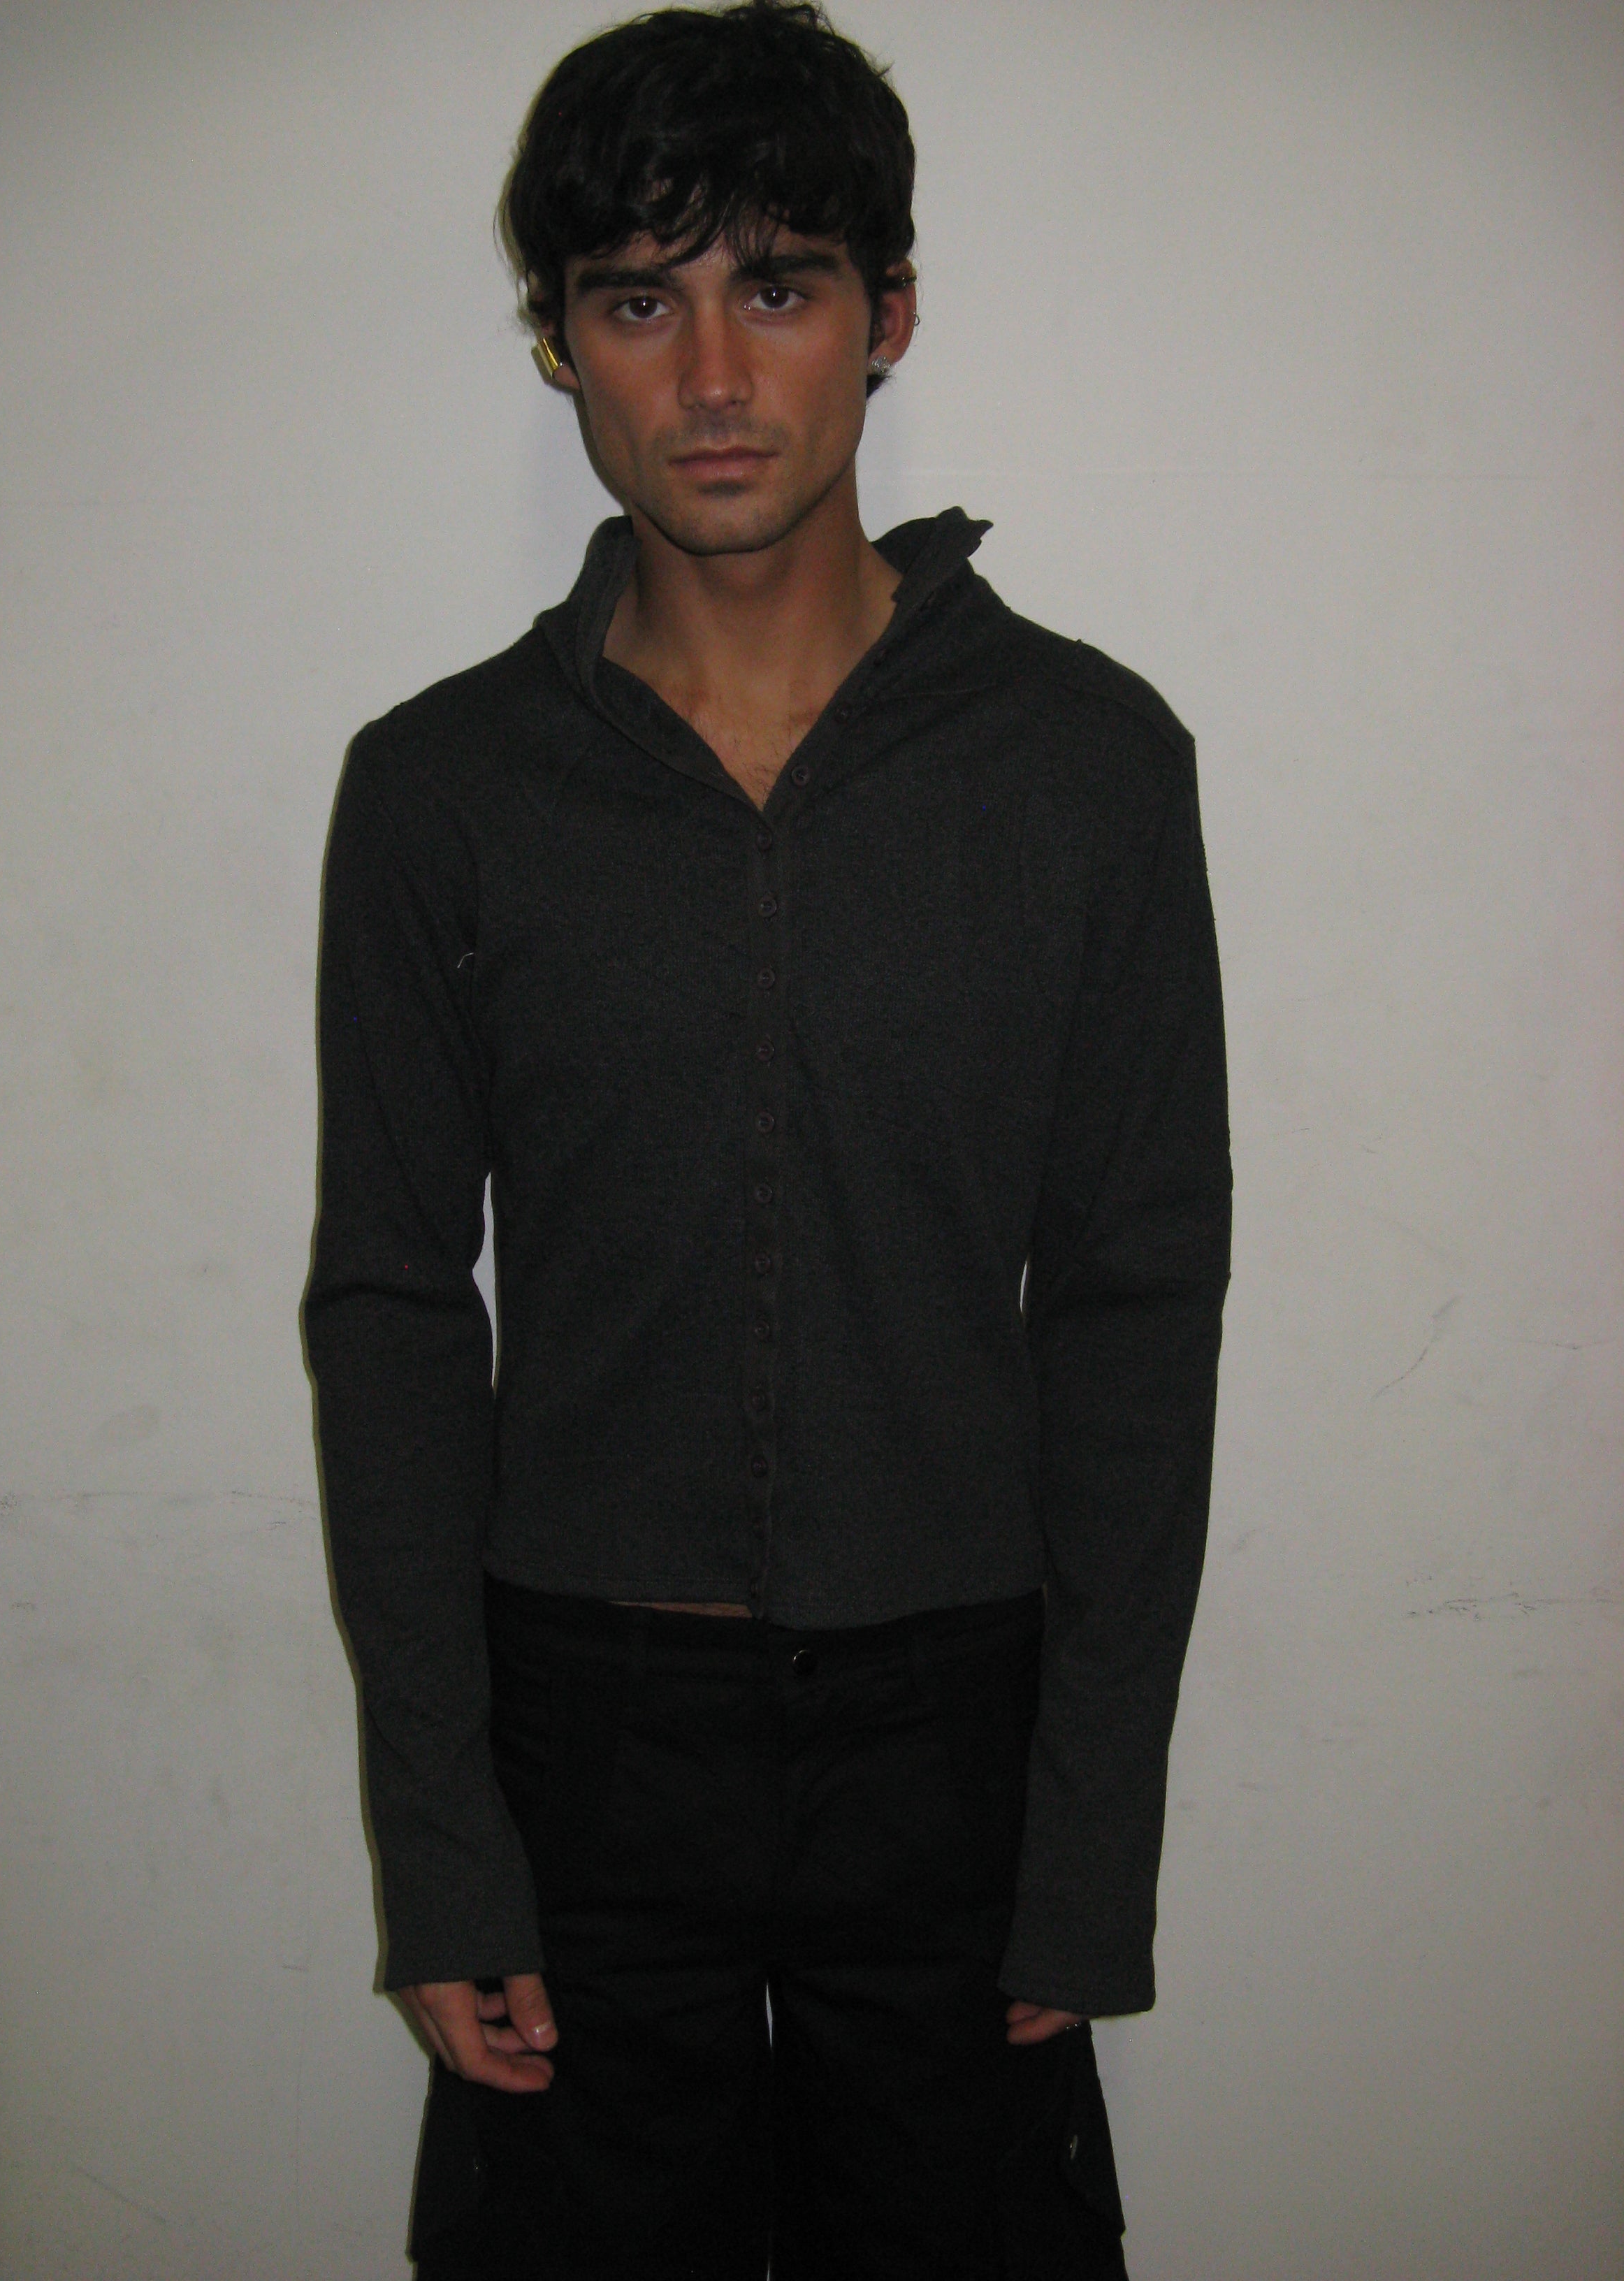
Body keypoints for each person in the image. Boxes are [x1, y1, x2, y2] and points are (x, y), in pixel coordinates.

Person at [304, 3, 1231, 2273]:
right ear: (562, 344)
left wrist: (1088, 1848)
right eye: (640, 300)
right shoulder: (440, 793)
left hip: (957, 1744)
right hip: (583, 1745)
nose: (713, 377)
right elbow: (397, 1309)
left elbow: (1134, 1308)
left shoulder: (1087, 767)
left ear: (887, 316)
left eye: (779, 286)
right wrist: (445, 1845)